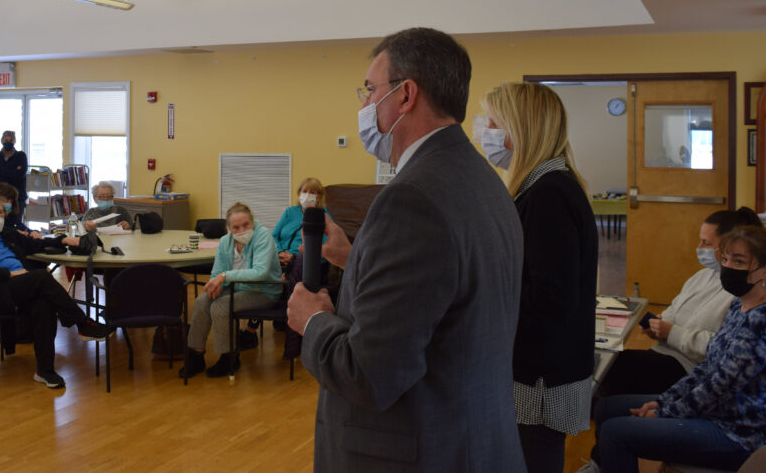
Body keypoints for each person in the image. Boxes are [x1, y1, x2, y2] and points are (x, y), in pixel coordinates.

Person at [286, 27, 526, 471]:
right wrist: (353, 258)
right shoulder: (482, 180)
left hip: (419, 451)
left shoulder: (410, 199)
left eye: (370, 90)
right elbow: (440, 295)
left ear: (406, 94)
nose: (363, 105)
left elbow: (370, 374)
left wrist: (313, 320)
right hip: (473, 440)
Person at [584, 225, 766, 473]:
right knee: (606, 409)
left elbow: (722, 385)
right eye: (725, 259)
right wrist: (663, 401)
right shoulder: (741, 306)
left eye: (738, 261)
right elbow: (708, 366)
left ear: (765, 271)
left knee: (615, 434)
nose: (727, 267)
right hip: (716, 414)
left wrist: (667, 411)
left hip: (737, 435)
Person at [481, 82, 598, 472]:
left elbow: (550, 296)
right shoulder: (543, 187)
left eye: (495, 122)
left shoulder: (549, 194)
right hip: (539, 369)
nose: (487, 131)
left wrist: (482, 294)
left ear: (520, 129)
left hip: (540, 377)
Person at [595, 207, 763, 399]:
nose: (699, 247)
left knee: (614, 368)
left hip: (691, 369)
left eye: (706, 243)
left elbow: (721, 348)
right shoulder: (702, 275)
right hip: (664, 354)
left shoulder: (742, 292)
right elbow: (673, 311)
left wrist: (671, 332)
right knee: (608, 362)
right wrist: (657, 327)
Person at [0, 195, 113, 389]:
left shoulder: (8, 234)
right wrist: (9, 274)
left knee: (44, 305)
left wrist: (63, 239)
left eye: (0, 212)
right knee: (40, 276)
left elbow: (35, 245)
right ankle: (82, 323)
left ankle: (45, 370)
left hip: (19, 288)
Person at [178, 202, 282, 379]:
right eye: (236, 227)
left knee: (221, 306)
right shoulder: (225, 242)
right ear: (228, 228)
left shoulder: (263, 236)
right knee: (202, 301)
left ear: (252, 221)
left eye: (246, 225)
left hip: (263, 290)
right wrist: (215, 285)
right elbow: (217, 273)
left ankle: (229, 357)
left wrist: (224, 277)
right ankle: (196, 355)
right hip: (236, 288)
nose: (241, 230)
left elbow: (260, 272)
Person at [272, 177, 328, 272]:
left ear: (319, 197)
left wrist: (294, 258)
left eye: (312, 193)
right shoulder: (290, 212)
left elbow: (324, 246)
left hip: (303, 262)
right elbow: (274, 235)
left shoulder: (324, 215)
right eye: (304, 191)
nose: (307, 195)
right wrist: (279, 251)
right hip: (280, 257)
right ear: (299, 193)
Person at [0, 130, 28, 215]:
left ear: (14, 142)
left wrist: (0, 172)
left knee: (15, 225)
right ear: (2, 141)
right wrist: (13, 171)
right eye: (6, 140)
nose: (8, 142)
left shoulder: (21, 156)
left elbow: (19, 176)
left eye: (10, 140)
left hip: (17, 198)